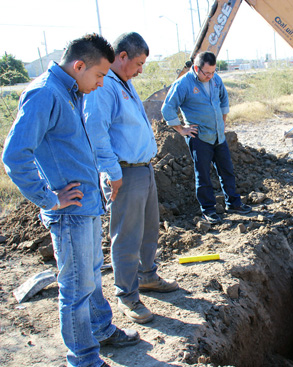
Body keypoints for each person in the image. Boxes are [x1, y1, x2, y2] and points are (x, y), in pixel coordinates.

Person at [2, 34, 139, 367]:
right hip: (69, 213)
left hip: (87, 205)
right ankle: (84, 360)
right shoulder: (44, 94)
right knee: (76, 290)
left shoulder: (70, 91)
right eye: (100, 75)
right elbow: (15, 155)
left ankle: (101, 330)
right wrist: (48, 198)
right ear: (79, 65)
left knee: (90, 277)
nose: (102, 82)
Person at [83, 32, 178, 325]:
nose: (140, 70)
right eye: (137, 63)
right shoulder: (104, 87)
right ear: (121, 56)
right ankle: (127, 295)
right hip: (123, 172)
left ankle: (147, 276)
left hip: (143, 168)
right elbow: (96, 132)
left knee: (149, 229)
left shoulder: (125, 83)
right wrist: (112, 173)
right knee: (126, 236)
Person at [161, 51, 251, 224]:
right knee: (203, 175)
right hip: (199, 137)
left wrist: (223, 122)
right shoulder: (183, 84)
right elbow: (167, 109)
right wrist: (182, 130)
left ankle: (233, 203)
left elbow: (224, 100)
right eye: (206, 73)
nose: (210, 76)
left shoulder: (216, 79)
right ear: (196, 68)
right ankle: (208, 211)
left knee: (227, 170)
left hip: (218, 135)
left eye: (213, 72)